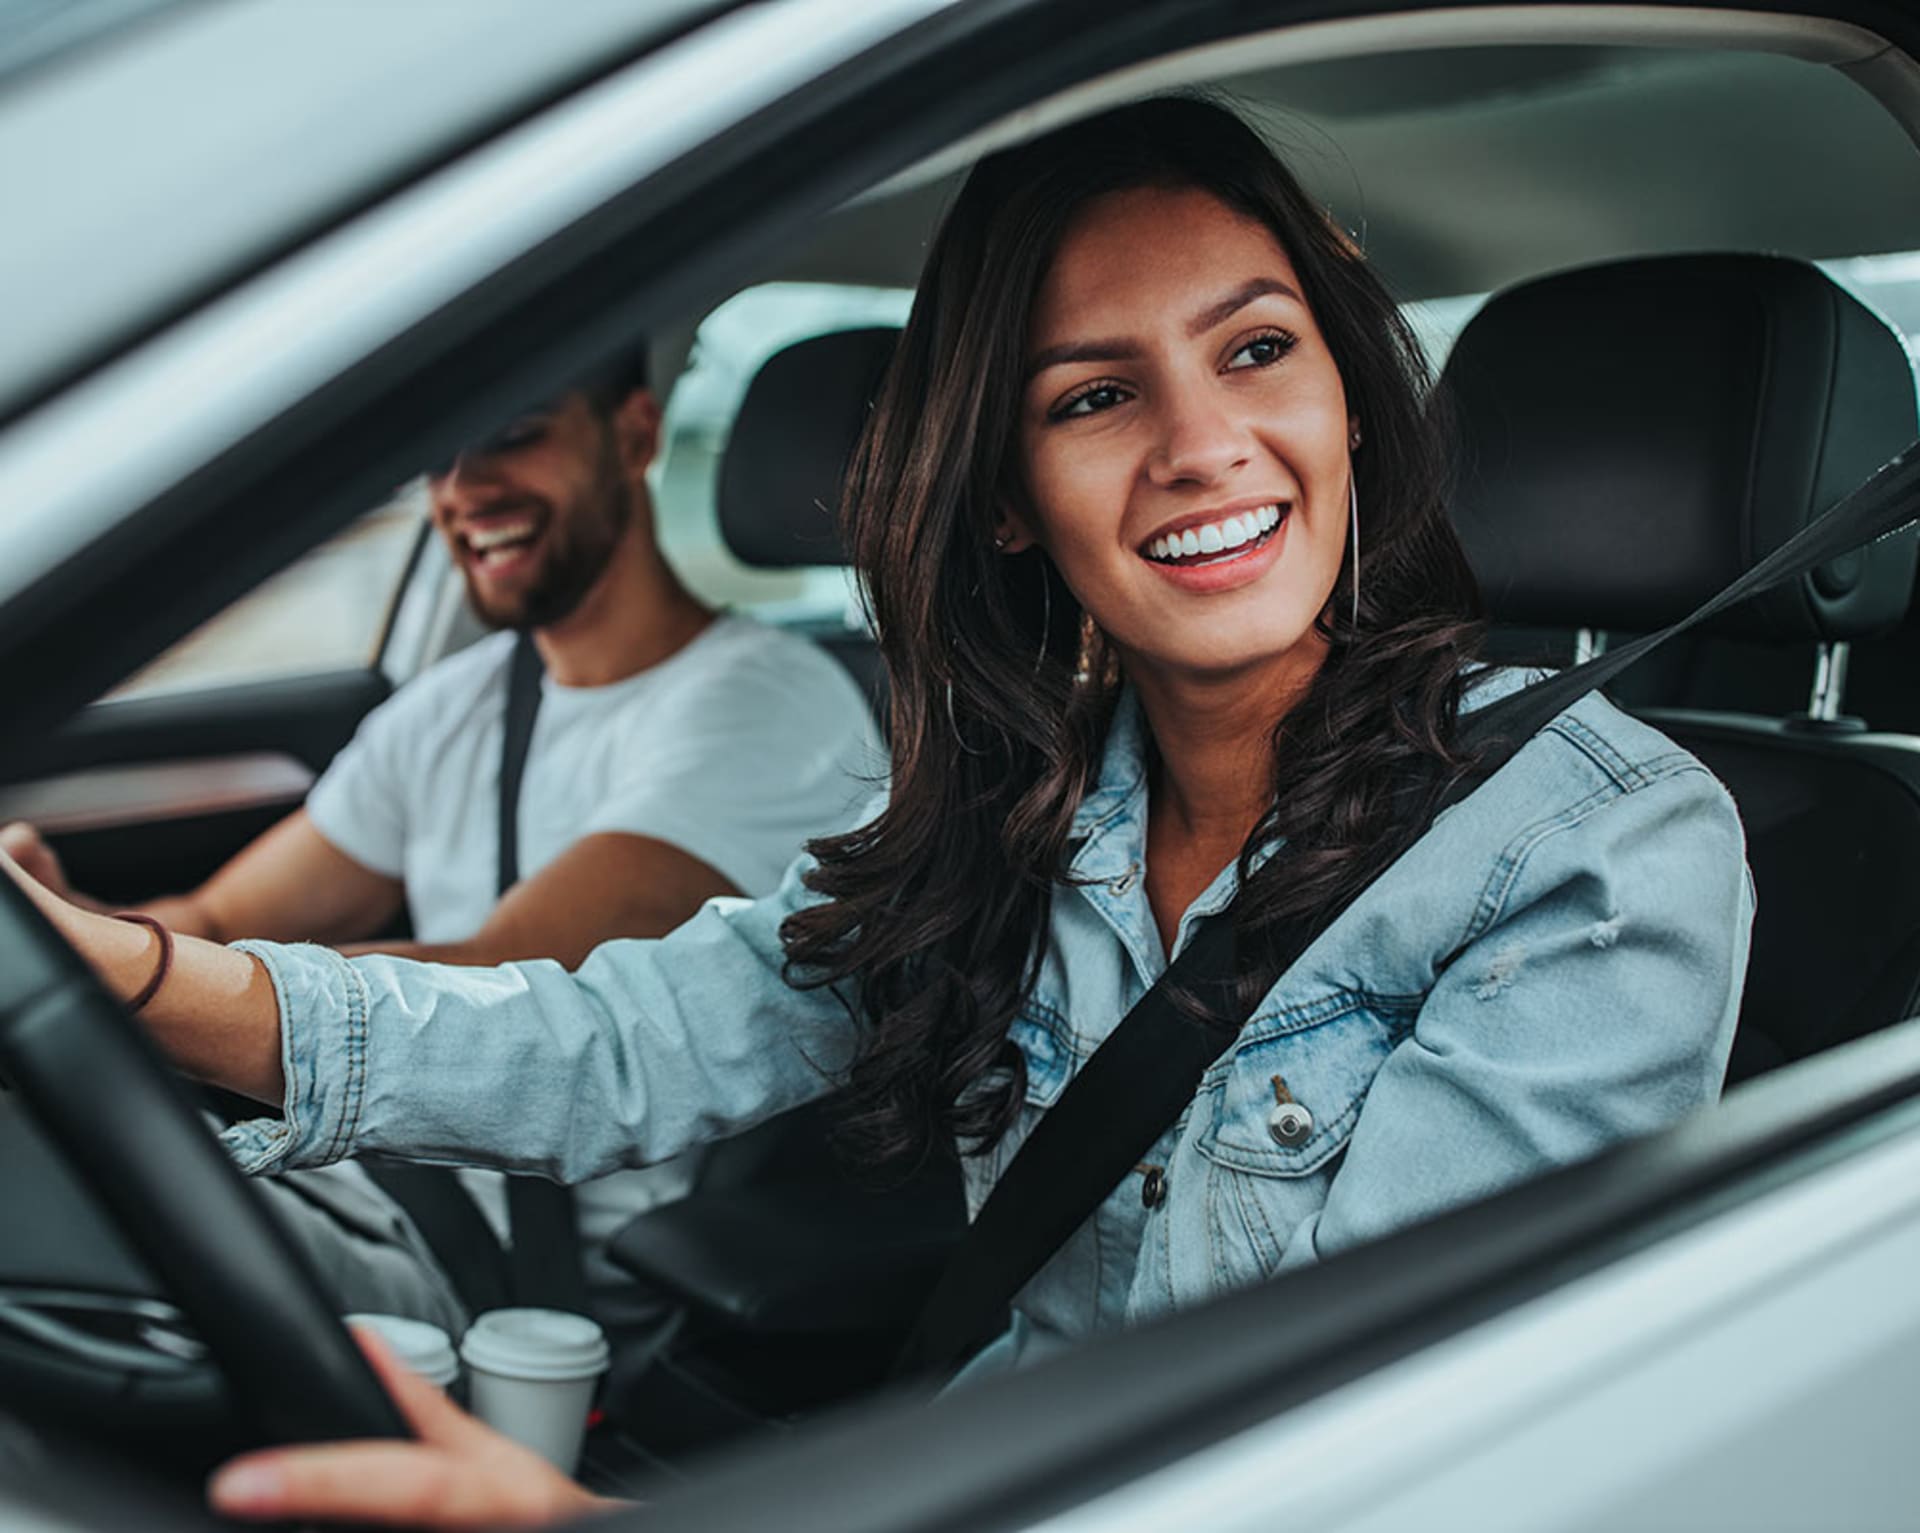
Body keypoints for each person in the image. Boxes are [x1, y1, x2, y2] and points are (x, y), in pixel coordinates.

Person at [2, 98, 1751, 1526]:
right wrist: (118, 978)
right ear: (1006, 502)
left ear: (1351, 402)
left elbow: (1348, 1470)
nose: (1204, 443)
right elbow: (620, 1037)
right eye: (1094, 393)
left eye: (1257, 349)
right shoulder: (1013, 815)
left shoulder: (1593, 854)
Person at [0, 349, 882, 1331]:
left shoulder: (765, 711)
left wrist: (122, 980)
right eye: (437, 455)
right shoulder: (458, 701)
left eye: (514, 434)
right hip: (363, 1175)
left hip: (515, 1282)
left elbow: (499, 983)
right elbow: (214, 916)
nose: (464, 489)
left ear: (634, 434)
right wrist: (56, 928)